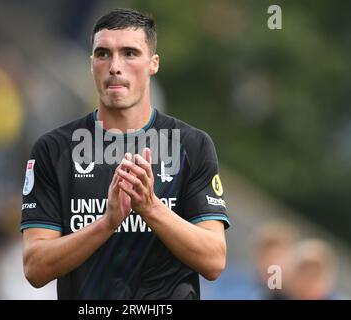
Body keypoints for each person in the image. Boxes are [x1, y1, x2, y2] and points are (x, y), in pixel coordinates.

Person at [21, 8, 230, 299]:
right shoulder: (53, 150)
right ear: (91, 62)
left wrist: (151, 207)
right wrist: (106, 224)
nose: (115, 66)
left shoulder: (191, 145)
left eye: (130, 53)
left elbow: (214, 261)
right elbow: (34, 266)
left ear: (153, 63)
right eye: (103, 53)